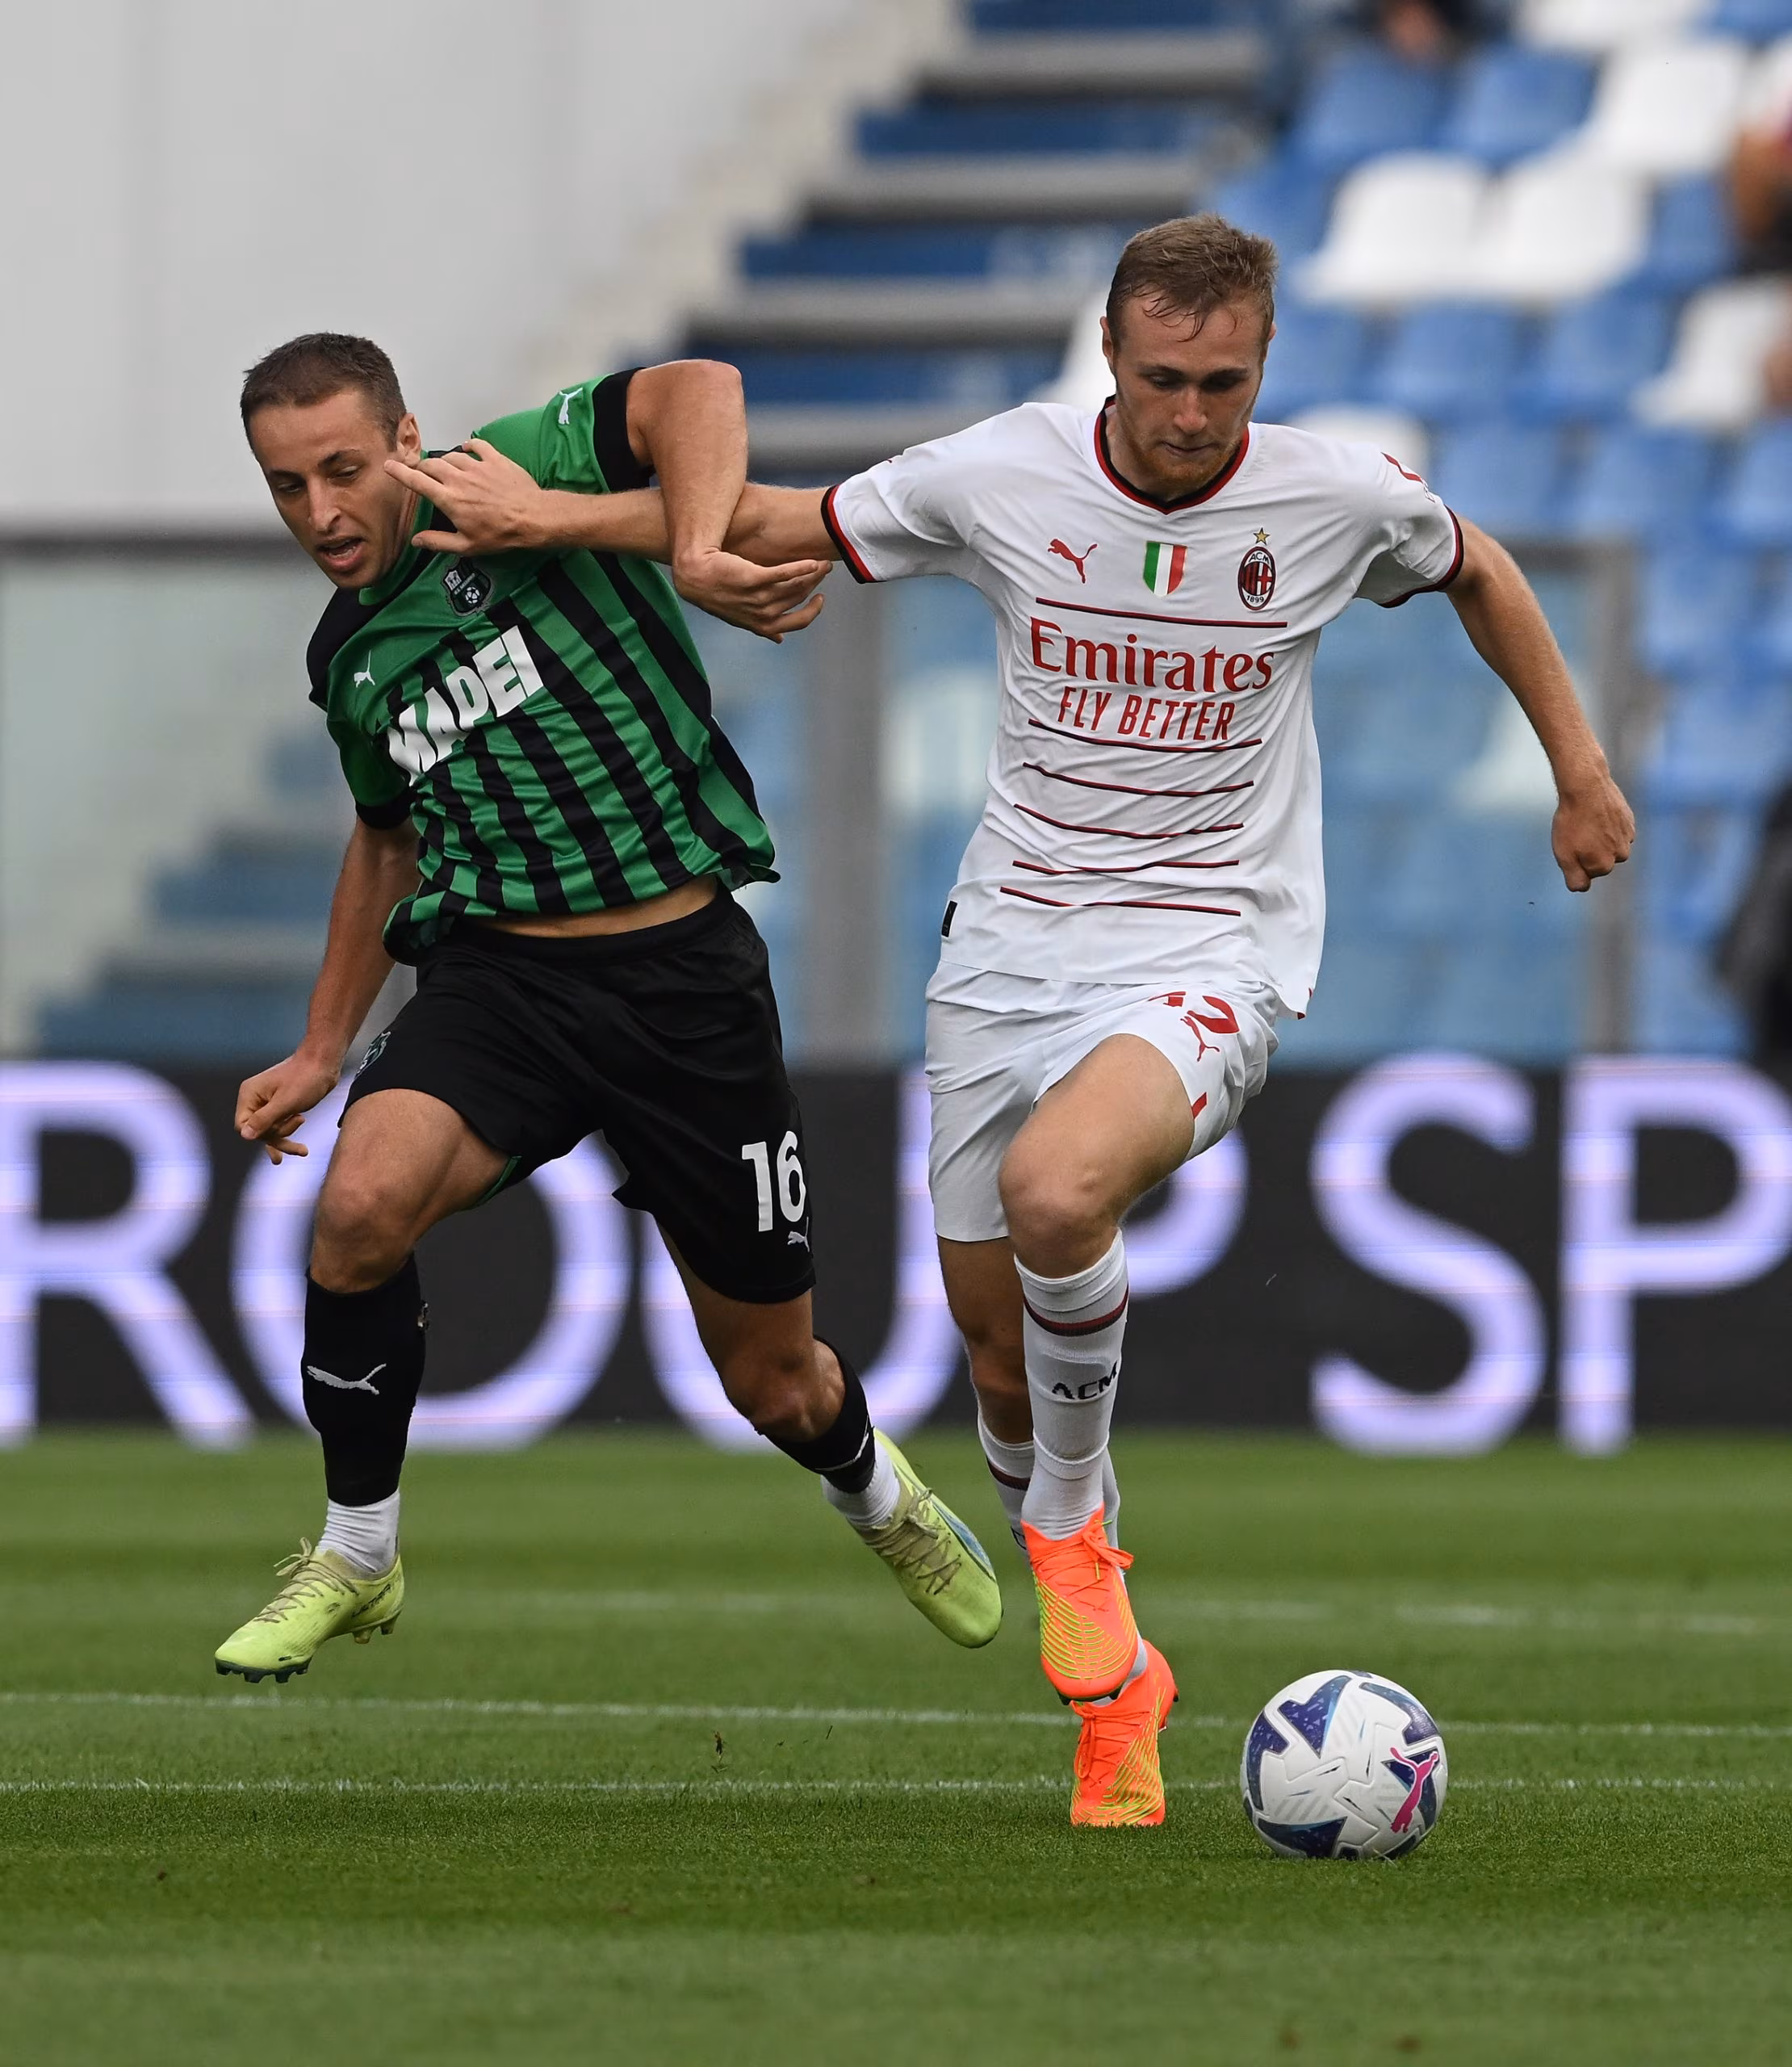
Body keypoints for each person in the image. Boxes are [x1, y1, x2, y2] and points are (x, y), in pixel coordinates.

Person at [388, 216, 1635, 1826]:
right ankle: (1120, 1700)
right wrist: (554, 518)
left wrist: (1580, 770)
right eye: (1165, 378)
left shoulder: (1332, 497)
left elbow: (1481, 569)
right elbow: (778, 517)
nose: (1192, 414)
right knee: (995, 1356)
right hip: (1004, 953)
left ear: (1265, 364)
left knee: (1060, 1193)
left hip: (1210, 942)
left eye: (1225, 383)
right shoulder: (1005, 473)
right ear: (1112, 356)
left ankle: (1076, 1542)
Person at [216, 334, 1002, 1684]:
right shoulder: (348, 654)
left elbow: (702, 390)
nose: (322, 512)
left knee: (775, 1381)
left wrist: (656, 543)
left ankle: (876, 1493)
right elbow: (385, 834)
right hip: (501, 985)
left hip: (683, 983)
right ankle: (357, 1550)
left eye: (343, 469)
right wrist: (322, 1045)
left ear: (406, 438)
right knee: (355, 1214)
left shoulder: (516, 466)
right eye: (288, 486)